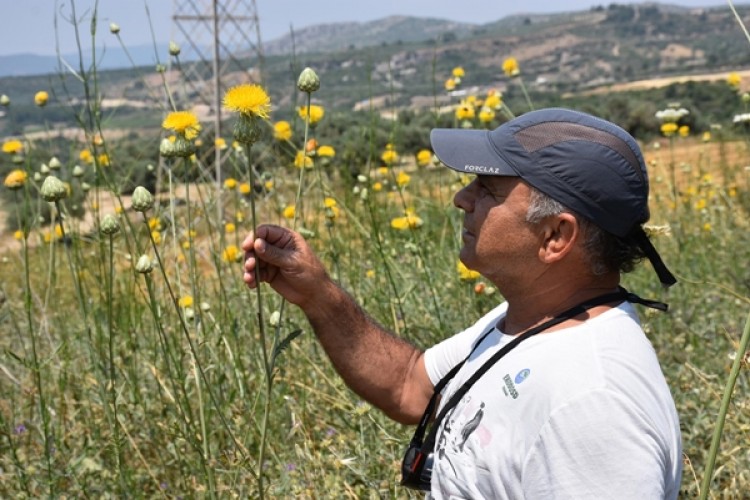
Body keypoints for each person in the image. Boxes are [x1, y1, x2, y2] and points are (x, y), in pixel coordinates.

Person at [242, 108, 682, 499]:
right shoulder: (532, 320)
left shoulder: (592, 402)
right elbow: (409, 386)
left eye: (488, 189)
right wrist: (317, 293)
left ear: (555, 236)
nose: (461, 198)